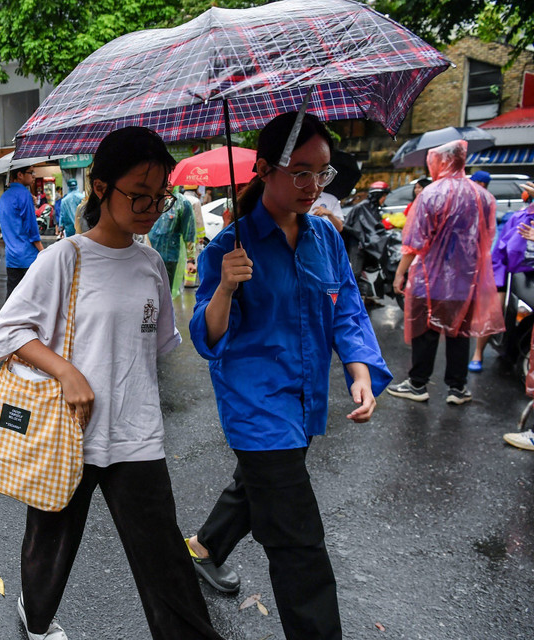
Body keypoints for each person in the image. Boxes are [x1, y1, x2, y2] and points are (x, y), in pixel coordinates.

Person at [0, 126, 225, 640]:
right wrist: (66, 369)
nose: (151, 207)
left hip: (137, 432)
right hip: (69, 432)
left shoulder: (151, 264)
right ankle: (38, 621)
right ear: (99, 186)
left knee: (163, 556)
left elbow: (157, 344)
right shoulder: (62, 259)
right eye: (139, 194)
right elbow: (6, 332)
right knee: (50, 542)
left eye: (161, 196)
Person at [186, 112, 391, 640]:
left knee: (264, 488)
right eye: (299, 172)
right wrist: (227, 288)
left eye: (321, 174)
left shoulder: (322, 236)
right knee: (298, 541)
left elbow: (344, 304)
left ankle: (205, 547)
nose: (313, 186)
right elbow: (207, 337)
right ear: (262, 170)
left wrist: (358, 368)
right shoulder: (229, 246)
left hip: (303, 402)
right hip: (257, 407)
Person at [387, 140, 503, 405]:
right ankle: (457, 388)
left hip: (430, 279)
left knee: (425, 331)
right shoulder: (483, 196)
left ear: (440, 161)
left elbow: (415, 241)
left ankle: (418, 384)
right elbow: (486, 238)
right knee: (459, 333)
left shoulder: (430, 194)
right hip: (465, 280)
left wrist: (399, 273)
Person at [470, 182, 534, 372]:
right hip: (514, 275)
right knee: (494, 310)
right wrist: (497, 282)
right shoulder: (519, 218)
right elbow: (501, 253)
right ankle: (478, 352)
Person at [0, 166, 43, 298]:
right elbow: (31, 227)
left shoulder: (4, 196)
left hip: (12, 258)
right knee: (34, 298)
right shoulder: (24, 194)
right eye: (31, 172)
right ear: (20, 175)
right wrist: (42, 250)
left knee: (12, 298)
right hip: (28, 257)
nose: (33, 175)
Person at [148, 189, 196, 295]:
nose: (169, 181)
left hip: (169, 258)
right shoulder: (151, 199)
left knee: (164, 294)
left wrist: (190, 260)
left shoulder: (182, 203)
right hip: (147, 256)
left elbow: (189, 233)